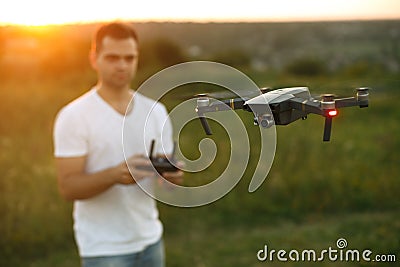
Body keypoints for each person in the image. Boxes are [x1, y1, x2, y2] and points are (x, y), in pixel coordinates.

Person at [53, 22, 183, 267]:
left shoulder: (155, 111)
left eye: (129, 57)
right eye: (112, 57)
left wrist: (173, 178)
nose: (122, 65)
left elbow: (167, 186)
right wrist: (115, 175)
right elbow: (68, 188)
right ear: (94, 58)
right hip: (103, 248)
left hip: (151, 239)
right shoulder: (73, 116)